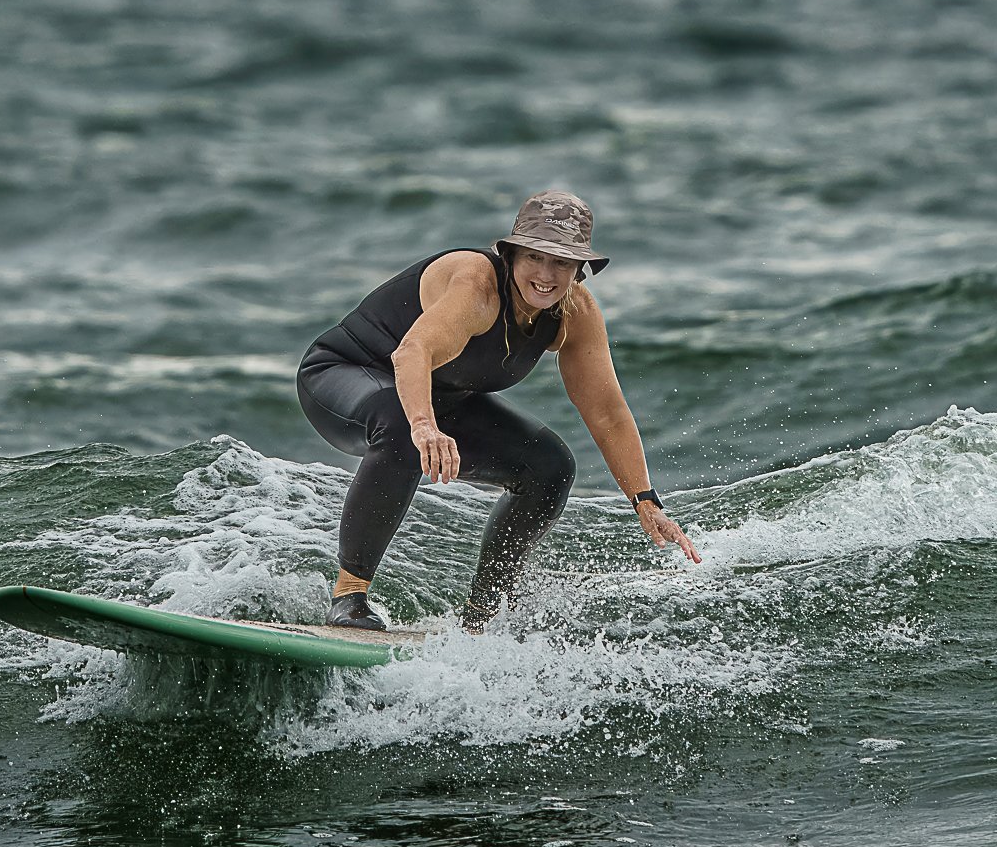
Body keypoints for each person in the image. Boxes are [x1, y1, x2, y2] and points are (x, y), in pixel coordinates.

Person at [297, 190, 700, 634]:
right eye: (534, 257)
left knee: (548, 466)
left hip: (438, 398)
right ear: (510, 254)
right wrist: (425, 425)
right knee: (400, 426)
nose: (546, 275)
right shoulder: (476, 283)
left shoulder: (574, 311)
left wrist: (645, 501)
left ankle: (482, 617)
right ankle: (349, 597)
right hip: (345, 376)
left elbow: (607, 412)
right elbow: (412, 352)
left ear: (579, 269)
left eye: (562, 263)